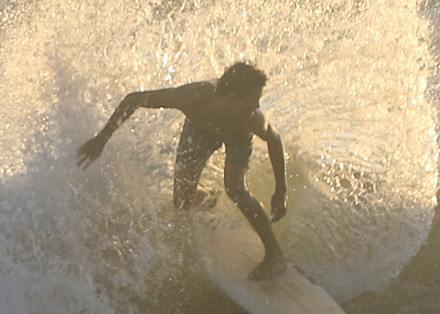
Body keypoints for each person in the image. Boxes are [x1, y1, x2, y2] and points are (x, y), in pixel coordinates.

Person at [76, 62, 289, 281]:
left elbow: (275, 139)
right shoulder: (193, 97)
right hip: (199, 129)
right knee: (181, 202)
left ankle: (275, 256)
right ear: (233, 97)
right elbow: (134, 99)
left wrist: (281, 189)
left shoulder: (251, 119)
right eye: (253, 100)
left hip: (237, 135)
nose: (257, 106)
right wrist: (102, 138)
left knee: (235, 188)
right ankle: (206, 198)